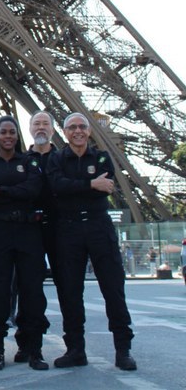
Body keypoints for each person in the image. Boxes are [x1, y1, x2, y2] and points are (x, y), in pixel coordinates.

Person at [47, 113, 137, 371]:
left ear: (89, 131)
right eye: (72, 127)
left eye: (82, 127)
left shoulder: (102, 157)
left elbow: (106, 186)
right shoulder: (56, 158)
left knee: (113, 289)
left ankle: (123, 349)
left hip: (98, 225)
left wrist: (78, 186)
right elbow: (56, 187)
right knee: (70, 292)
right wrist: (91, 184)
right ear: (64, 132)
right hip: (69, 227)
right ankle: (75, 349)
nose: (77, 131)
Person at [0, 116, 48, 371]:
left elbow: (34, 190)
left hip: (27, 230)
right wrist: (10, 192)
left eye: (12, 132)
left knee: (32, 292)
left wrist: (2, 191)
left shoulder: (28, 161)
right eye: (3, 132)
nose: (7, 136)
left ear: (17, 136)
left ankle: (33, 348)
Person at [13, 111, 60, 363]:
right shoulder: (22, 159)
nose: (41, 127)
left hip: (60, 228)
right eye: (37, 123)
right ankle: (27, 341)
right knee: (28, 287)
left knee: (68, 289)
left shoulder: (62, 159)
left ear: (52, 129)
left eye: (45, 123)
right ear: (29, 129)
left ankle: (75, 345)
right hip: (28, 228)